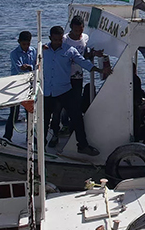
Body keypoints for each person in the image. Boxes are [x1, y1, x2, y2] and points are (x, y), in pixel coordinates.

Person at [43, 25, 110, 155]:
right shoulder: (43, 50)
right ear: (50, 38)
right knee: (45, 120)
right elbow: (34, 62)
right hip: (47, 92)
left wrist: (100, 70)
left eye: (59, 40)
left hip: (65, 90)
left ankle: (82, 145)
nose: (57, 42)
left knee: (77, 117)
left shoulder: (70, 50)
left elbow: (83, 62)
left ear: (62, 39)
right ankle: (39, 146)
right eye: (54, 40)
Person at [5, 30, 36, 140]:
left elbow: (36, 64)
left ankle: (30, 136)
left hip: (29, 84)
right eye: (24, 44)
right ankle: (7, 136)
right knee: (14, 113)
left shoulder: (33, 51)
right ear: (19, 42)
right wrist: (27, 67)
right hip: (16, 85)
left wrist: (30, 67)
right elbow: (19, 67)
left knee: (30, 111)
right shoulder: (14, 53)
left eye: (28, 44)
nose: (26, 46)